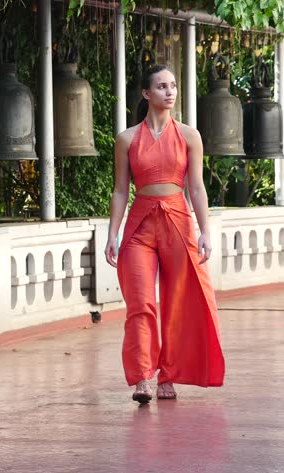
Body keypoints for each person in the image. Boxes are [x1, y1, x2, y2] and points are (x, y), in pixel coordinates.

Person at [105, 64, 225, 404]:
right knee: (141, 303)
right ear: (146, 94)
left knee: (178, 304)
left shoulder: (190, 135)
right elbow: (119, 191)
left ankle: (168, 377)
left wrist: (205, 231)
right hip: (140, 225)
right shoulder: (126, 139)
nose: (170, 91)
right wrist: (112, 234)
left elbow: (197, 188)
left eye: (172, 85)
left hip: (178, 222)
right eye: (161, 86)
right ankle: (144, 377)